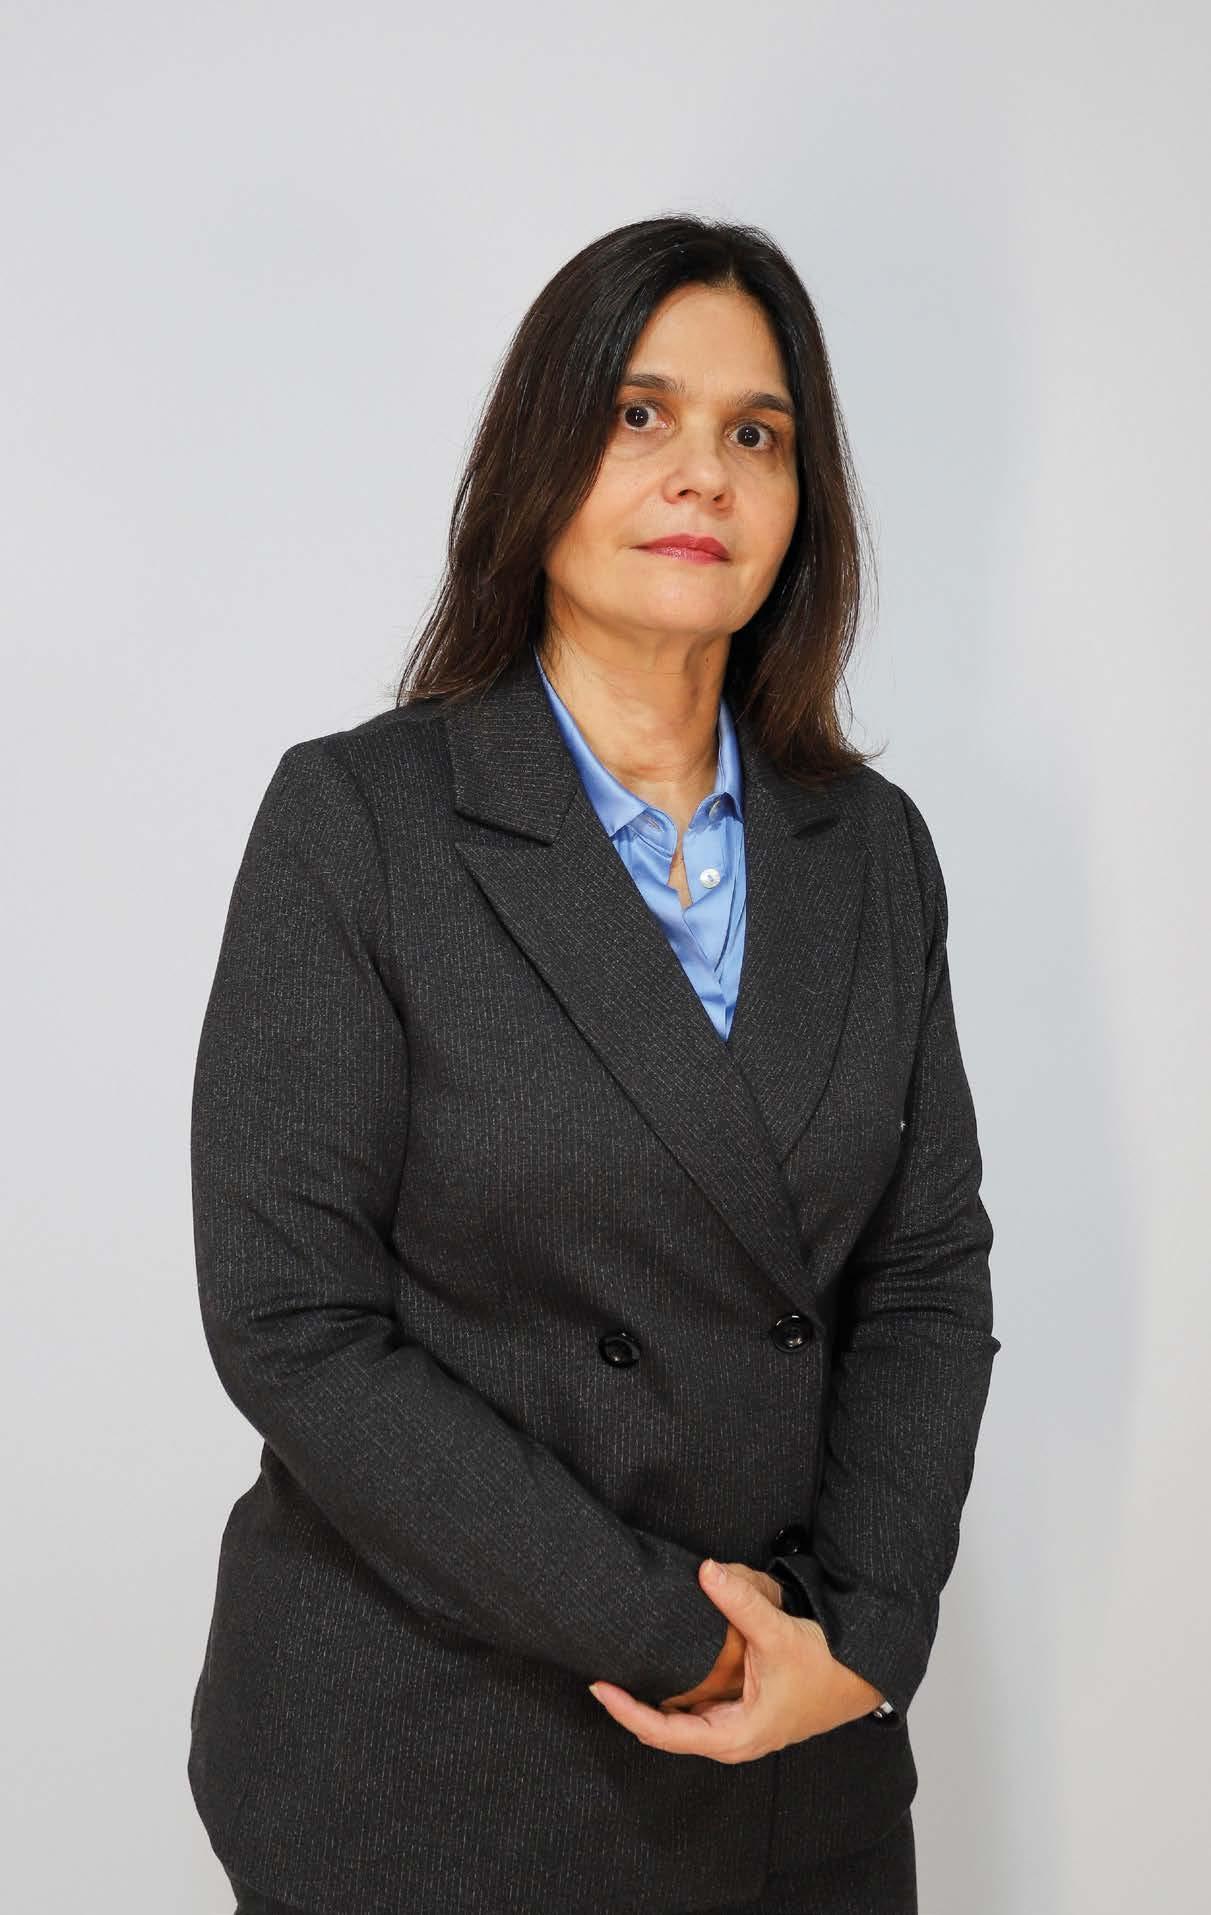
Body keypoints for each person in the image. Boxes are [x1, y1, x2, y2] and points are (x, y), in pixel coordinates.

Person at [188, 214, 1000, 1915]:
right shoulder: (363, 823)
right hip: (437, 1762)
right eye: (641, 415)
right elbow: (294, 1322)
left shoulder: (871, 849)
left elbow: (924, 1269)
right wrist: (680, 1637)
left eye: (756, 434)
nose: (703, 472)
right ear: (539, 457)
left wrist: (861, 1639)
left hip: (798, 1765)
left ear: (804, 500)